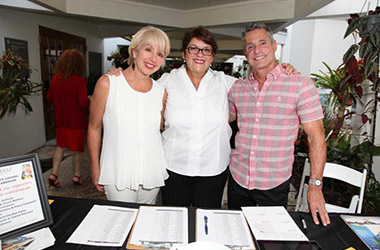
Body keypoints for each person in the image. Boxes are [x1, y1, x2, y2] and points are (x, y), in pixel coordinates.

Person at [108, 26, 297, 208]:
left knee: (207, 224)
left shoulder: (227, 83)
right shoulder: (166, 82)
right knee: (174, 221)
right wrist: (120, 75)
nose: (200, 54)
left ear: (212, 56)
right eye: (194, 49)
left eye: (206, 50)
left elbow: (259, 84)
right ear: (183, 54)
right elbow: (140, 93)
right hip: (174, 168)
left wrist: (283, 70)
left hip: (213, 170)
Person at [227, 22, 330, 226]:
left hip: (274, 183)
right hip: (238, 179)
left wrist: (315, 186)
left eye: (262, 43)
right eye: (250, 46)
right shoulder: (237, 88)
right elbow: (222, 119)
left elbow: (316, 137)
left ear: (274, 45)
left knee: (272, 239)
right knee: (237, 236)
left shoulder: (300, 84)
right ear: (245, 52)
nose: (257, 50)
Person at [88, 26, 170, 204]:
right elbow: (94, 127)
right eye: (148, 49)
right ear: (134, 51)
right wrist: (95, 166)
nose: (153, 59)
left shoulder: (161, 92)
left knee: (145, 223)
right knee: (121, 223)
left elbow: (160, 129)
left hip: (151, 170)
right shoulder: (108, 84)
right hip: (118, 171)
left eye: (160, 54)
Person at [47, 49, 90, 188]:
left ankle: (54, 173)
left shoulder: (55, 78)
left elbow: (49, 97)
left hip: (60, 120)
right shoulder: (79, 80)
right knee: (78, 149)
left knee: (60, 146)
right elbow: (82, 102)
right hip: (76, 121)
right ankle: (76, 176)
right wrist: (90, 99)